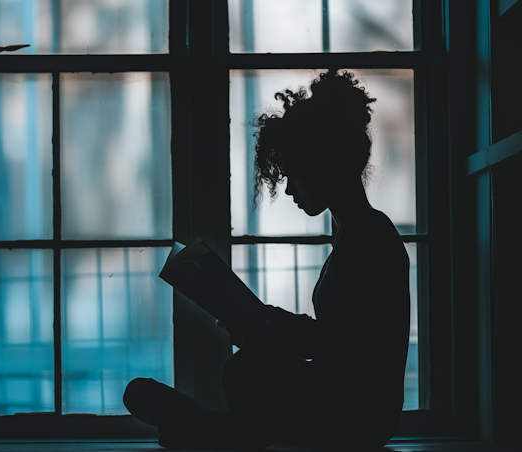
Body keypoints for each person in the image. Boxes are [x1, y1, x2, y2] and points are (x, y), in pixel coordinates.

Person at [123, 69, 410, 451]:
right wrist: (270, 326)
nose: (289, 188)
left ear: (325, 164)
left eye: (294, 173)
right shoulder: (353, 234)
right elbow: (338, 342)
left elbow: (344, 350)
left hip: (360, 415)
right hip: (350, 405)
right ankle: (210, 427)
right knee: (241, 370)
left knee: (247, 369)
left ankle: (210, 428)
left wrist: (272, 330)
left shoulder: (369, 237)